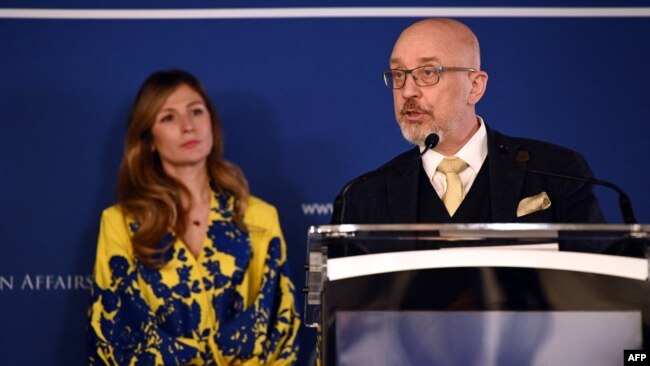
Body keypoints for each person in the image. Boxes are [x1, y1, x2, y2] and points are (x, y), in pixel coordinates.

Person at [87, 69, 300, 365]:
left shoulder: (260, 216)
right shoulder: (120, 223)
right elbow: (113, 333)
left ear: (212, 122)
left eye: (196, 112)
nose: (188, 126)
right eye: (168, 117)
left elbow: (282, 327)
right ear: (148, 139)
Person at [332, 18, 605, 231]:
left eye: (428, 72)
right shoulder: (364, 196)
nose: (407, 91)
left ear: (475, 87)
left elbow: (600, 285)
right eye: (399, 74)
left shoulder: (558, 171)